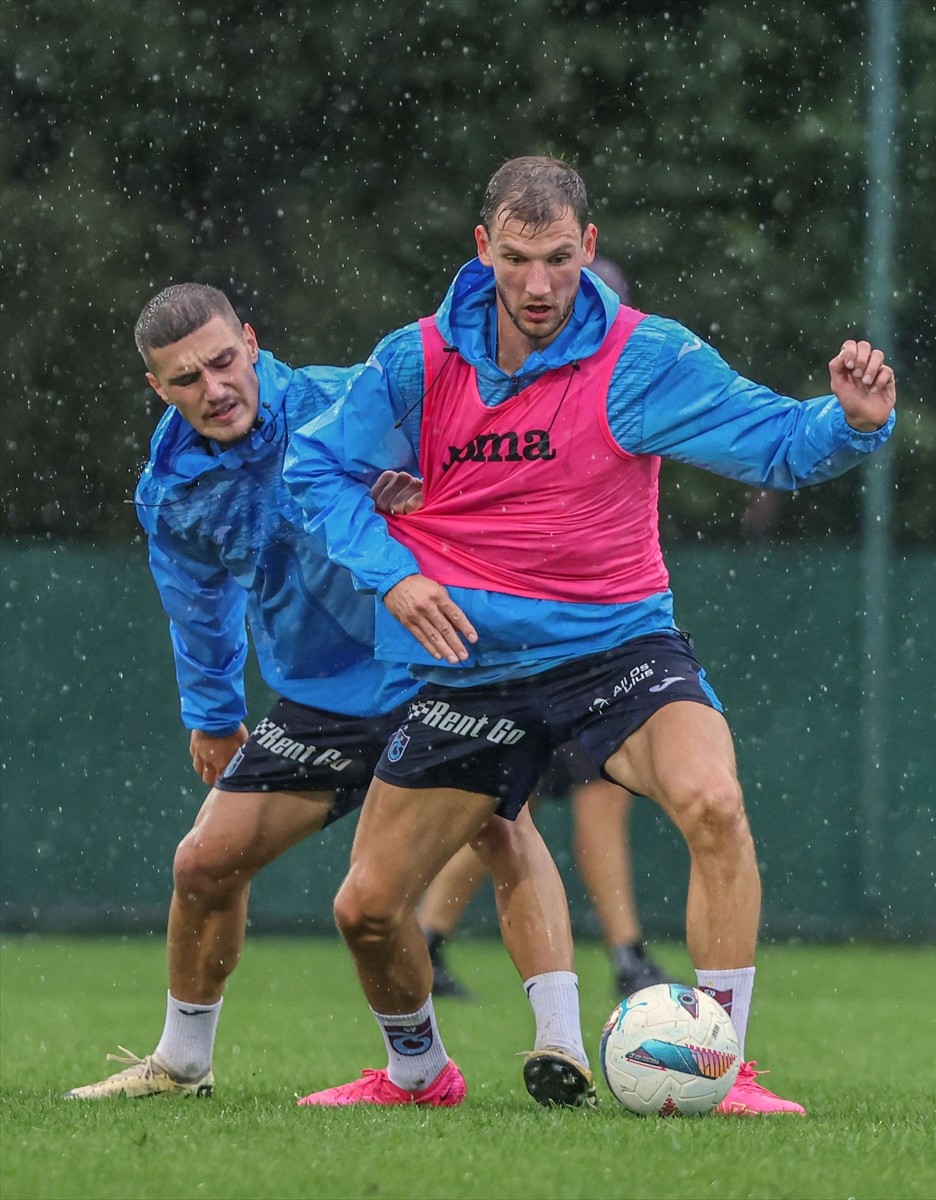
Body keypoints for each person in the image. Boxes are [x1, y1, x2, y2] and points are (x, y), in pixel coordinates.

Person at [284, 155, 896, 1116]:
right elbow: (313, 468)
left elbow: (775, 439)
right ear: (482, 248)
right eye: (519, 259)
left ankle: (724, 1067)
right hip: (469, 664)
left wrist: (851, 425)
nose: (538, 285)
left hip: (618, 648)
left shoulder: (643, 357)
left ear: (590, 248)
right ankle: (417, 1076)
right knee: (365, 909)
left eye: (560, 259)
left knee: (715, 804)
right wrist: (395, 577)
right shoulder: (419, 361)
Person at [62, 282, 589, 1108]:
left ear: (252, 340)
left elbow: (487, 459)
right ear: (157, 389)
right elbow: (198, 602)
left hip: (434, 666)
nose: (216, 388)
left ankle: (562, 1045)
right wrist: (212, 712)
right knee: (203, 863)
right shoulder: (171, 489)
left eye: (225, 362)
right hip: (320, 701)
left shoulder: (351, 401)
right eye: (187, 378)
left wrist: (425, 493)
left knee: (500, 825)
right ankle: (189, 1063)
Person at [417, 258, 667, 1005]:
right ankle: (435, 940)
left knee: (534, 810)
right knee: (498, 812)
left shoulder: (629, 383)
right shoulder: (492, 388)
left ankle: (624, 957)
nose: (547, 293)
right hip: (534, 648)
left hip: (596, 640)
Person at [419, 741, 668, 1001]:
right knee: (598, 789)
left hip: (533, 705)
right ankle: (629, 959)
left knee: (508, 816)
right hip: (570, 703)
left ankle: (426, 945)